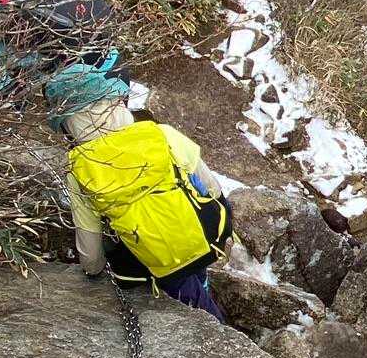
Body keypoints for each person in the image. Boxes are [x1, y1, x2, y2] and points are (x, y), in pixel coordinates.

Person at [48, 65, 234, 321]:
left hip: (152, 262)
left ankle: (215, 324)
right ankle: (201, 285)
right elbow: (211, 187)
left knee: (196, 306)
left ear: (68, 124)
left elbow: (91, 253)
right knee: (193, 269)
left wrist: (94, 270)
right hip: (205, 235)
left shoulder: (80, 170)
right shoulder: (161, 134)